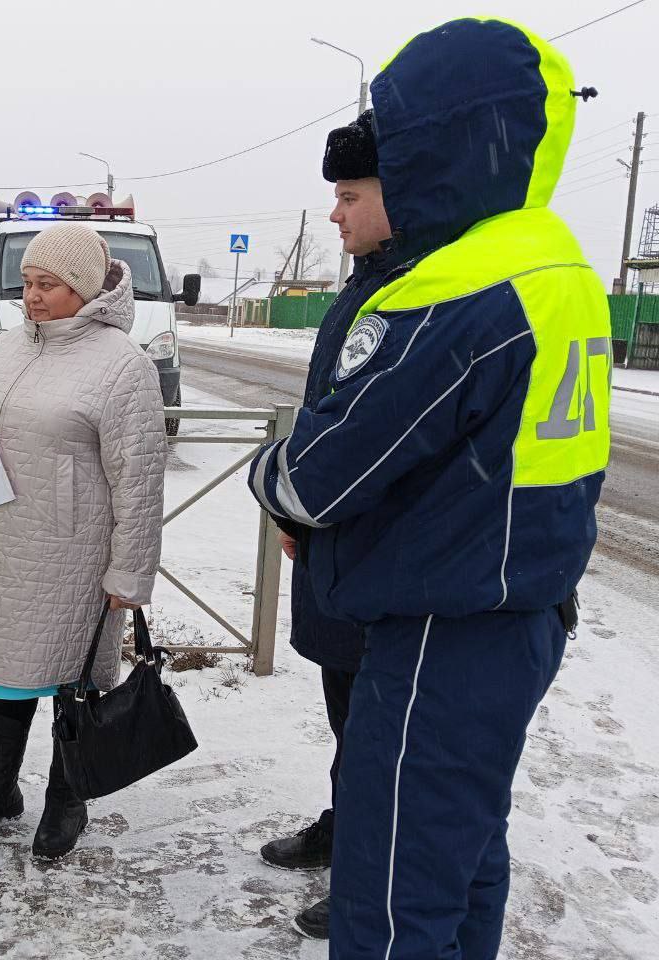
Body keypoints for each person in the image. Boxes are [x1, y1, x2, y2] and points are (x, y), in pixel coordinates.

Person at [247, 18, 610, 960]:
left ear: (441, 144)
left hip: (444, 635)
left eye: (394, 143)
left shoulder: (460, 290)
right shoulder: (556, 261)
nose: (346, 200)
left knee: (394, 893)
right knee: (465, 862)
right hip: (519, 610)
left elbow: (317, 480)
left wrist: (270, 474)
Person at [0, 222, 166, 860]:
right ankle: (0, 787)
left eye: (49, 285)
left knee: (71, 675)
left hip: (73, 552)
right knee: (8, 672)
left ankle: (69, 798)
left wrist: (130, 575)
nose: (32, 297)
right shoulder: (8, 343)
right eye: (29, 283)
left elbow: (140, 479)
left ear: (85, 290)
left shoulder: (124, 365)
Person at [257, 109, 394, 943]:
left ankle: (371, 868)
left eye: (349, 195)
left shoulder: (416, 293)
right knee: (350, 710)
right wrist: (302, 519)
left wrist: (286, 491)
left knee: (380, 727)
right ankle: (351, 827)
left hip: (381, 555)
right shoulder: (370, 281)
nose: (335, 213)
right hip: (340, 544)